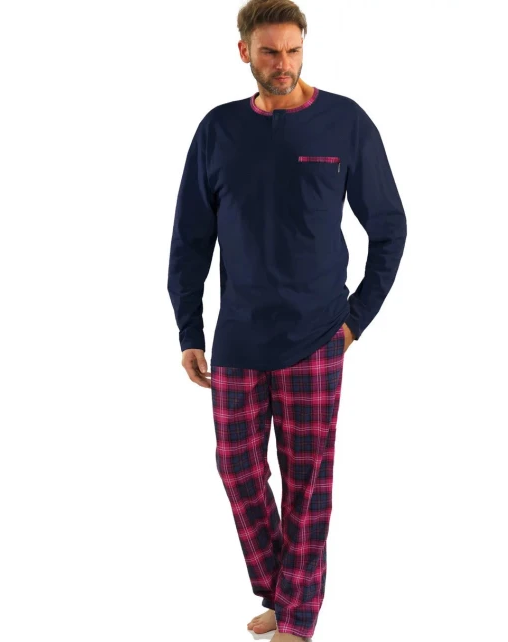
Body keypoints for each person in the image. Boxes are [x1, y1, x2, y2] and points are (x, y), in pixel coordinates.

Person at [166, 1, 407, 639]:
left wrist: (355, 321)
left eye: (294, 50)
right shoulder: (218, 130)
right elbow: (189, 239)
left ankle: (296, 620)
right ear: (244, 51)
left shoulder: (345, 122)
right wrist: (189, 329)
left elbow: (389, 228)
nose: (284, 64)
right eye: (270, 51)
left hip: (317, 336)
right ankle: (284, 591)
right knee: (237, 469)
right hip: (238, 337)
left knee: (308, 484)